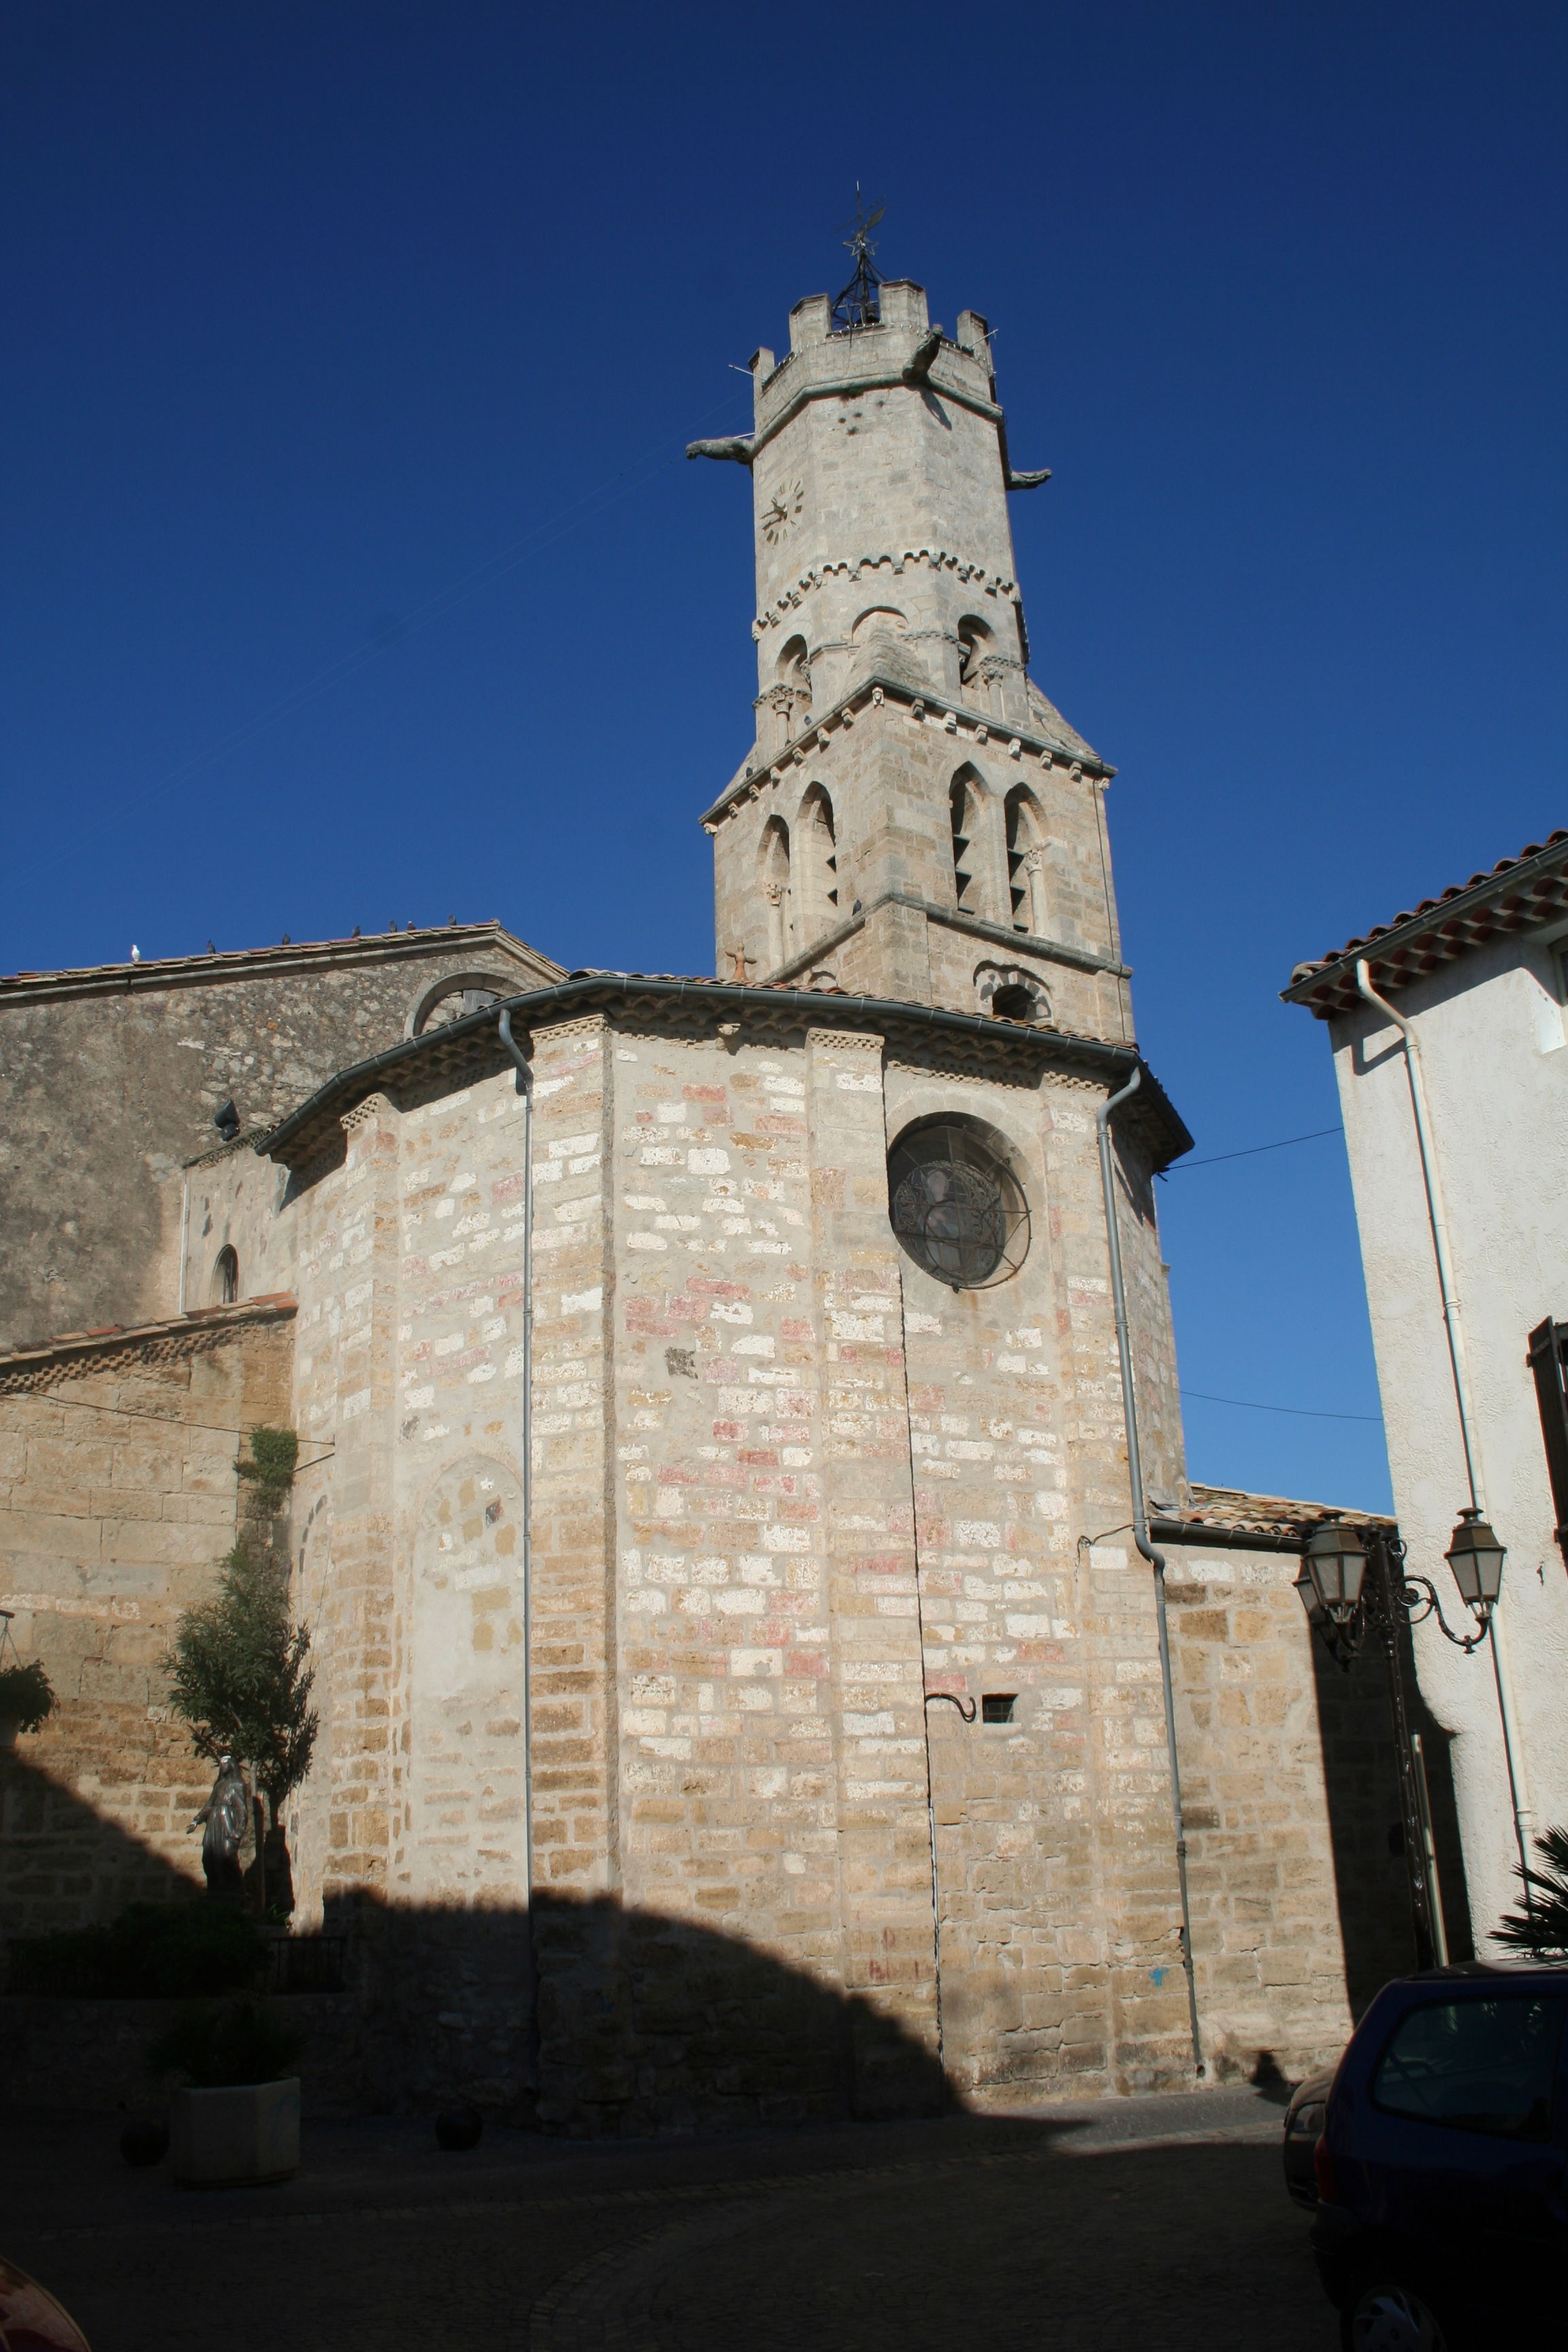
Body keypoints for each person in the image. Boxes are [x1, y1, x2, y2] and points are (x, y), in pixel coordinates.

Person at [192, 1754, 248, 1899]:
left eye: (225, 1763)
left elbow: (242, 1808)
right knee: (209, 1857)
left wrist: (239, 1830)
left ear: (231, 1765)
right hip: (214, 1823)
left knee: (228, 1856)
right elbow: (209, 1805)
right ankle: (215, 1890)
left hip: (228, 1822)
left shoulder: (238, 1785)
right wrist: (197, 1820)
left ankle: (237, 1891)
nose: (223, 1766)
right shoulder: (218, 1786)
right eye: (221, 1764)